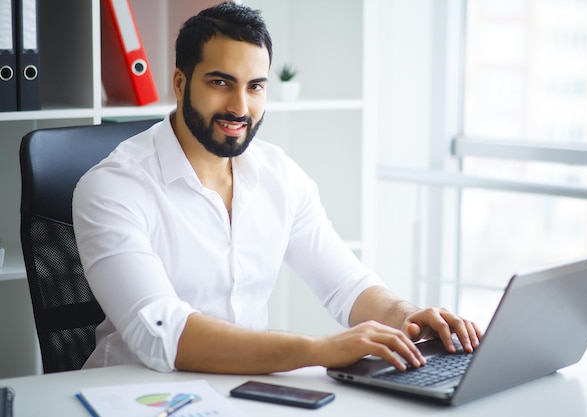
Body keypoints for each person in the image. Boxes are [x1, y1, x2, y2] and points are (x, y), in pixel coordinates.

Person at [72, 2, 482, 375]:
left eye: (255, 86)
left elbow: (347, 285)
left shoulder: (279, 176)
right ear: (180, 83)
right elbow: (163, 334)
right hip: (135, 396)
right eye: (220, 83)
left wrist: (407, 317)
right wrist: (319, 349)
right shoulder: (113, 187)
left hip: (245, 391)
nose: (240, 107)